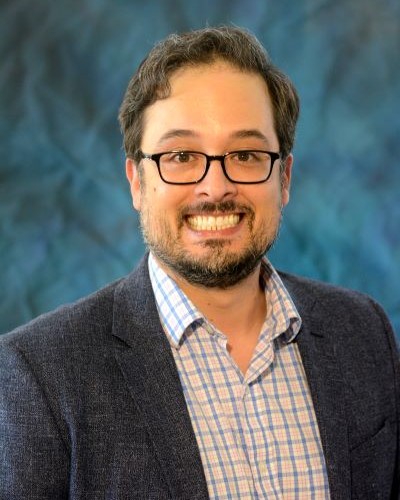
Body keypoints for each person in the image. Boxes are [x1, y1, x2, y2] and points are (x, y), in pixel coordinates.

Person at [0, 26, 398, 500]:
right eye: (182, 155)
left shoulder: (364, 332)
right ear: (137, 181)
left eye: (246, 154)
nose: (215, 188)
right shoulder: (39, 374)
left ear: (285, 178)